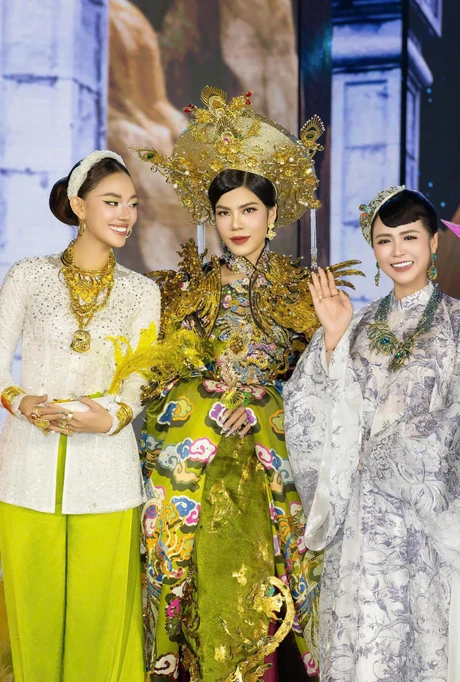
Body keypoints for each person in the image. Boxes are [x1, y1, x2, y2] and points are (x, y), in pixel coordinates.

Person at [131, 86, 359, 681]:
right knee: (202, 593)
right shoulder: (189, 290)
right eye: (224, 212)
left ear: (272, 215)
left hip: (270, 472)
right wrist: (206, 402)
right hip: (199, 470)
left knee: (260, 597)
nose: (236, 224)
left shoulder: (305, 293)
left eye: (249, 210)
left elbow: (327, 387)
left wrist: (262, 406)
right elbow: (161, 379)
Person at [283, 187, 460, 682]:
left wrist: (397, 456)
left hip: (432, 516)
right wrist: (333, 343)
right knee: (367, 642)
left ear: (434, 242)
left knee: (426, 638)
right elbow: (311, 408)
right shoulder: (353, 325)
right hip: (363, 517)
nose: (398, 251)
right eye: (385, 240)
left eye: (410, 237)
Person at [0, 150, 160, 681]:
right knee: (35, 613)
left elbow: (141, 377)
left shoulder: (142, 292)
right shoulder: (29, 276)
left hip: (108, 468)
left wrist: (112, 417)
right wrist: (19, 400)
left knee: (100, 614)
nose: (125, 214)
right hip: (27, 465)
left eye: (132, 204)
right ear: (78, 205)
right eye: (112, 201)